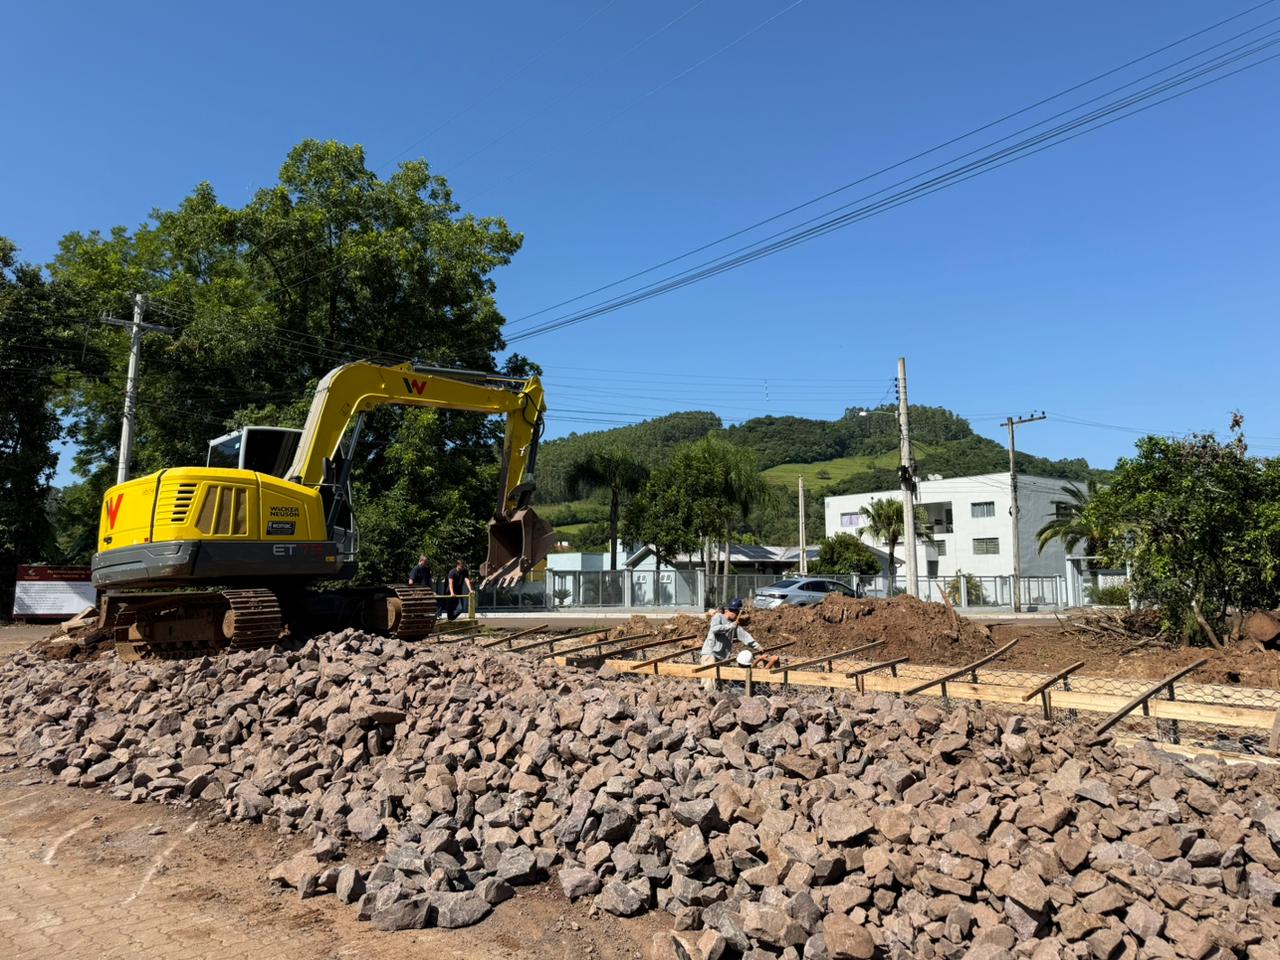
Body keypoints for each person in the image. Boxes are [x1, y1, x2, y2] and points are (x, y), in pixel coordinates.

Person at [699, 597, 760, 691]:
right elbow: (714, 629)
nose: (737, 617)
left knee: (720, 683)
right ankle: (705, 701)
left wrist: (757, 646)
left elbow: (744, 636)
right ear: (733, 612)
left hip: (722, 657)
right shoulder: (718, 617)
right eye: (736, 614)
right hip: (710, 654)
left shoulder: (733, 624)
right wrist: (731, 626)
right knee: (709, 683)